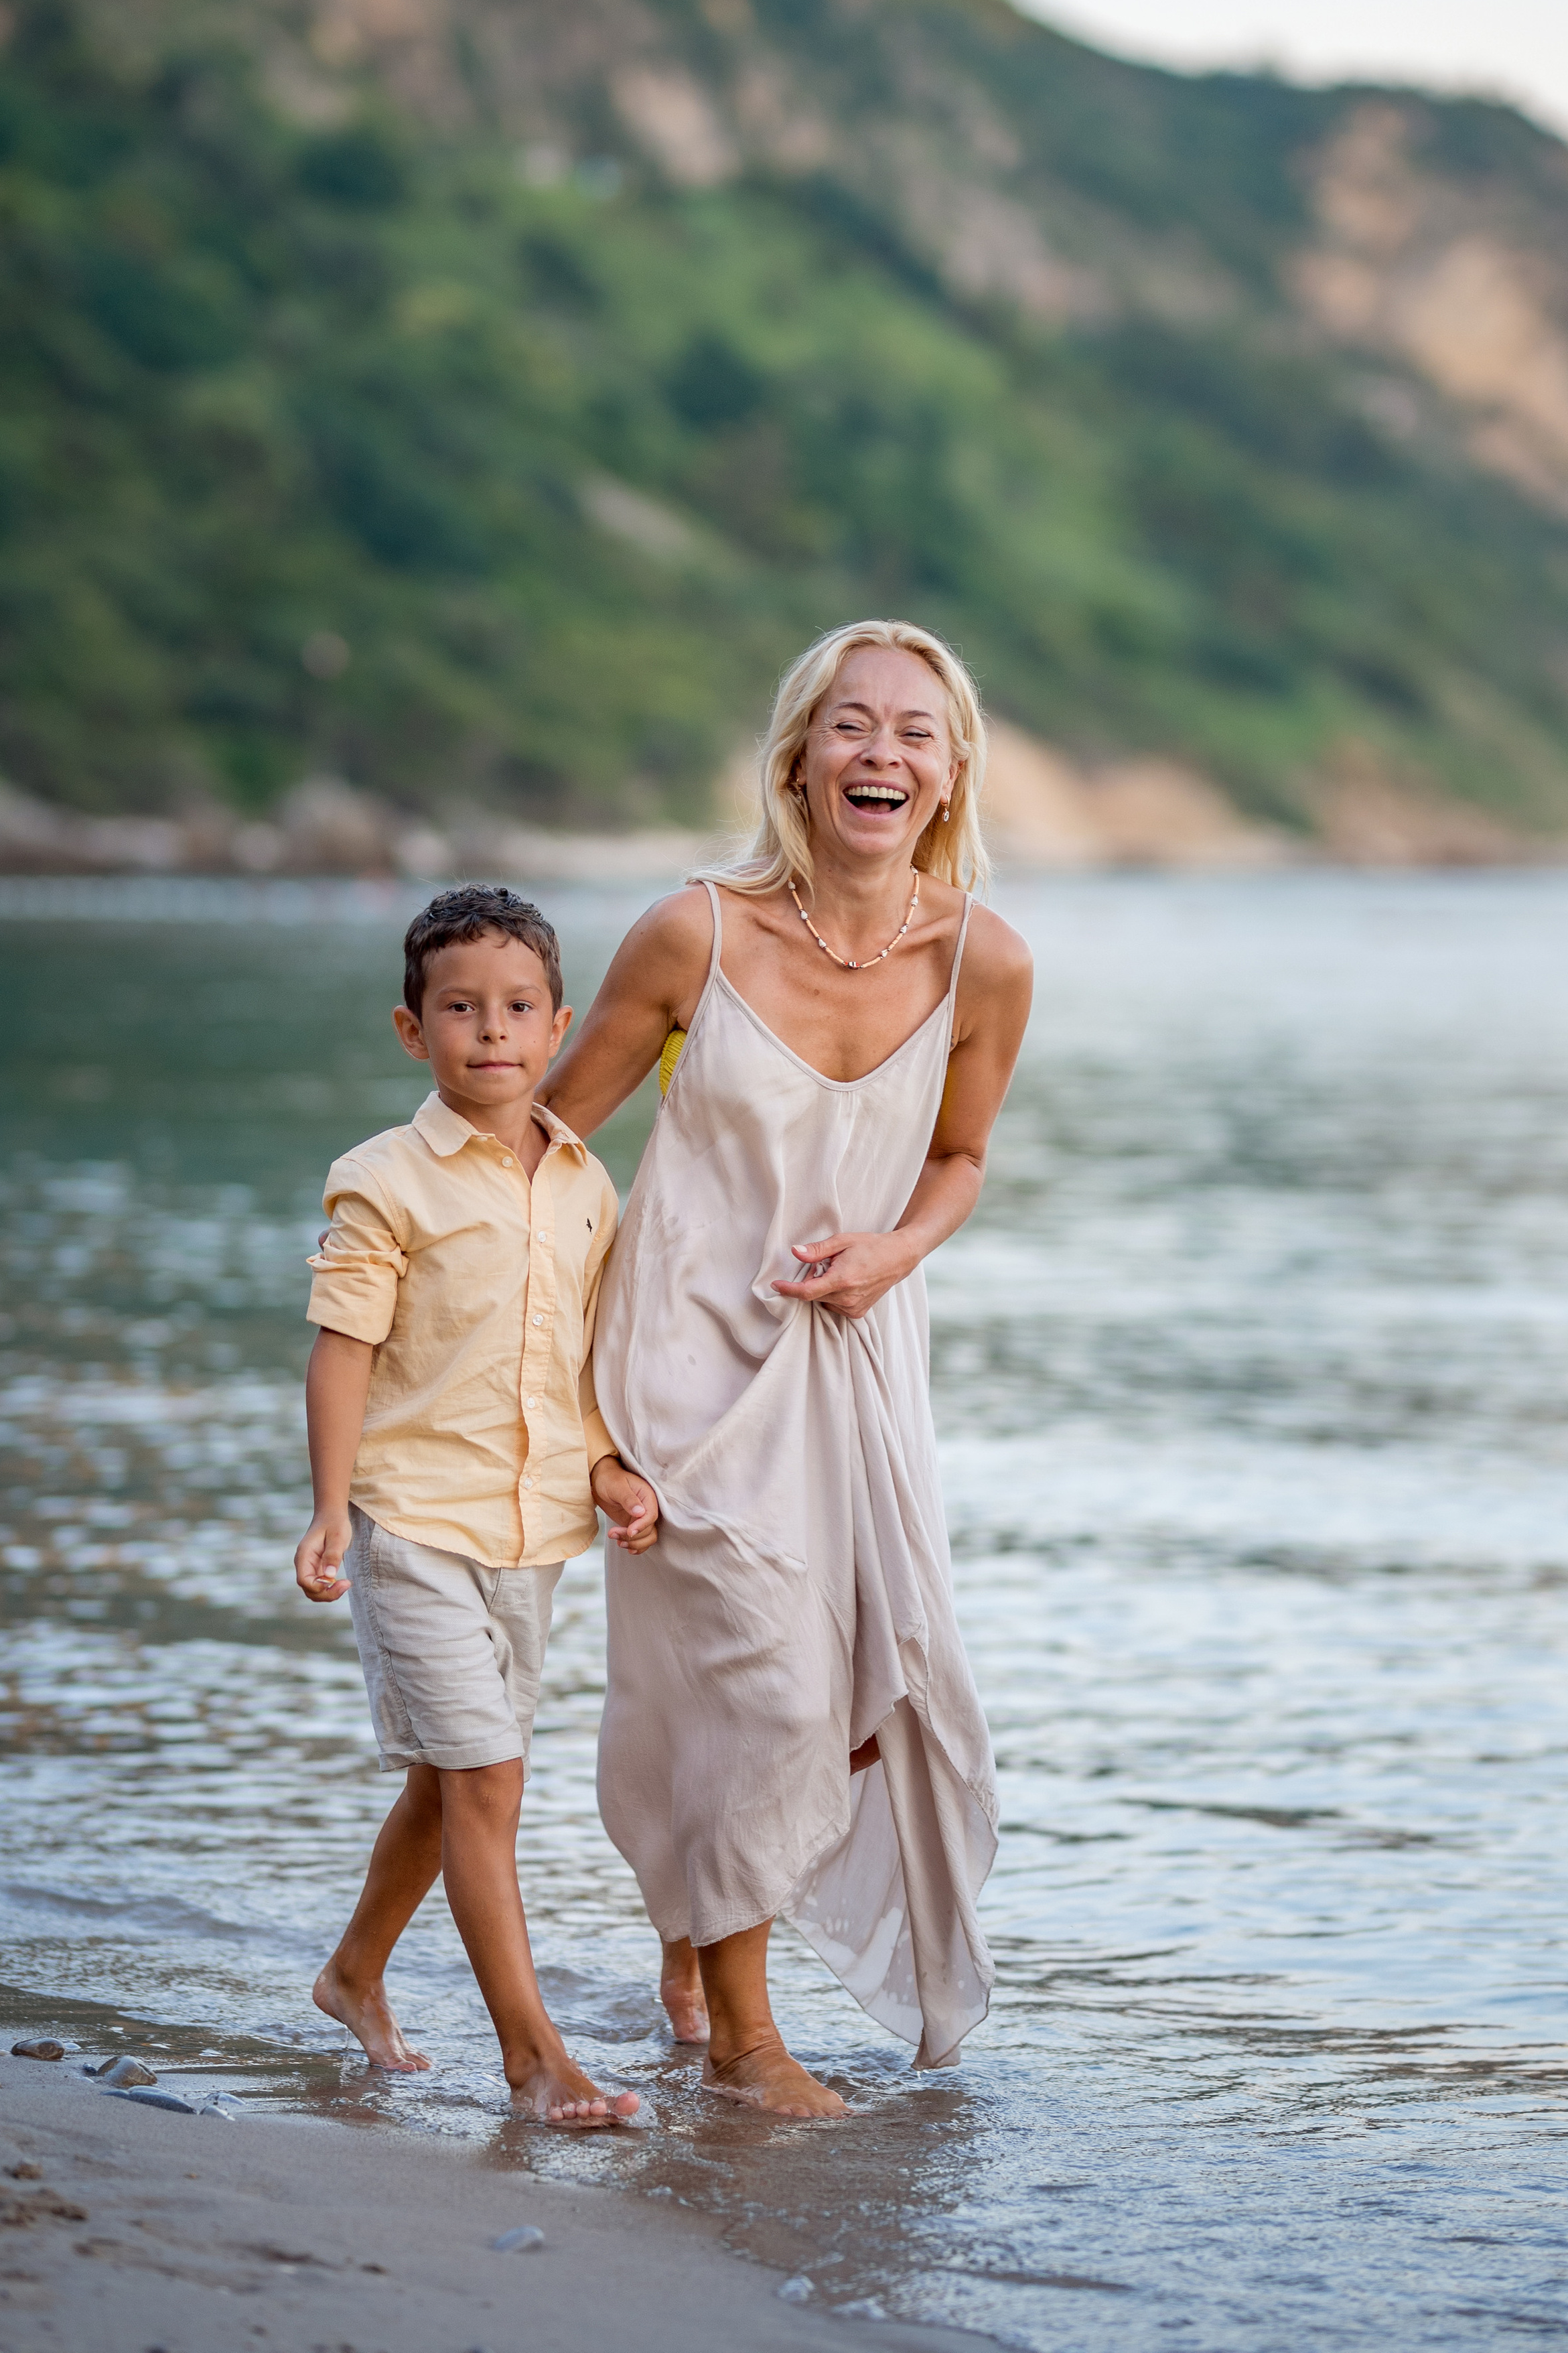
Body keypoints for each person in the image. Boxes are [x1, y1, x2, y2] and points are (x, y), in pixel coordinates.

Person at [540, 620, 1034, 2117]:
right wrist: (520, 1366)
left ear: (948, 776)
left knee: (855, 1695)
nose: (880, 752)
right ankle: (752, 2048)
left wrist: (897, 1251)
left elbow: (956, 1159)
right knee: (757, 1682)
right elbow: (548, 1145)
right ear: (798, 758)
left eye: (914, 732)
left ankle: (698, 1945)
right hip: (684, 1355)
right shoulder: (692, 933)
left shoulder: (984, 960)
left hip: (860, 1364)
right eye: (849, 725)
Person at [293, 884, 658, 2124]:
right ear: (414, 1032)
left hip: (533, 1529)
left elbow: (584, 1352)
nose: (489, 1032)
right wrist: (331, 1508)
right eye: (460, 1009)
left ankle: (353, 1974)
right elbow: (341, 1348)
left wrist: (608, 1461)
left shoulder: (584, 1184)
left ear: (559, 1026)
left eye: (515, 1009)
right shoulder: (381, 1180)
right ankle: (536, 2058)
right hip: (412, 1523)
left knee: (451, 1783)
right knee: (491, 1781)